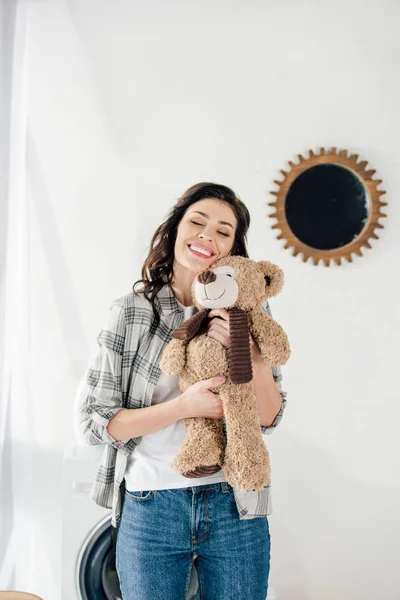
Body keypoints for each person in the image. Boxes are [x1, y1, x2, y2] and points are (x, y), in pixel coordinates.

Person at [76, 182, 287, 600]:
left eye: (223, 231)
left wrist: (250, 354)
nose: (207, 236)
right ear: (174, 230)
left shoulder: (253, 311)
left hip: (234, 504)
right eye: (198, 222)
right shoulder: (131, 312)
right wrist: (183, 407)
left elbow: (269, 416)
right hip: (151, 506)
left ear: (233, 250)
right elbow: (94, 424)